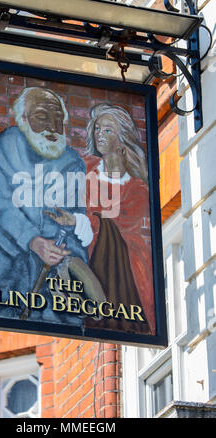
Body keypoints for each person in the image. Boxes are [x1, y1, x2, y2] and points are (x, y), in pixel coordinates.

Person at [0, 86, 94, 323]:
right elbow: (2, 207)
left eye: (58, 118)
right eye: (42, 116)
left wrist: (66, 257)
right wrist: (34, 240)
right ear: (24, 119)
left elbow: (73, 216)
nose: (52, 126)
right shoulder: (0, 149)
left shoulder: (72, 161)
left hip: (58, 274)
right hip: (8, 270)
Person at [84, 103, 155, 334]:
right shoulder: (85, 170)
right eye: (97, 129)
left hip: (126, 271)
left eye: (107, 130)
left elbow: (126, 220)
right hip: (86, 261)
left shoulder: (136, 188)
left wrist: (92, 219)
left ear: (121, 138)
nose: (100, 135)